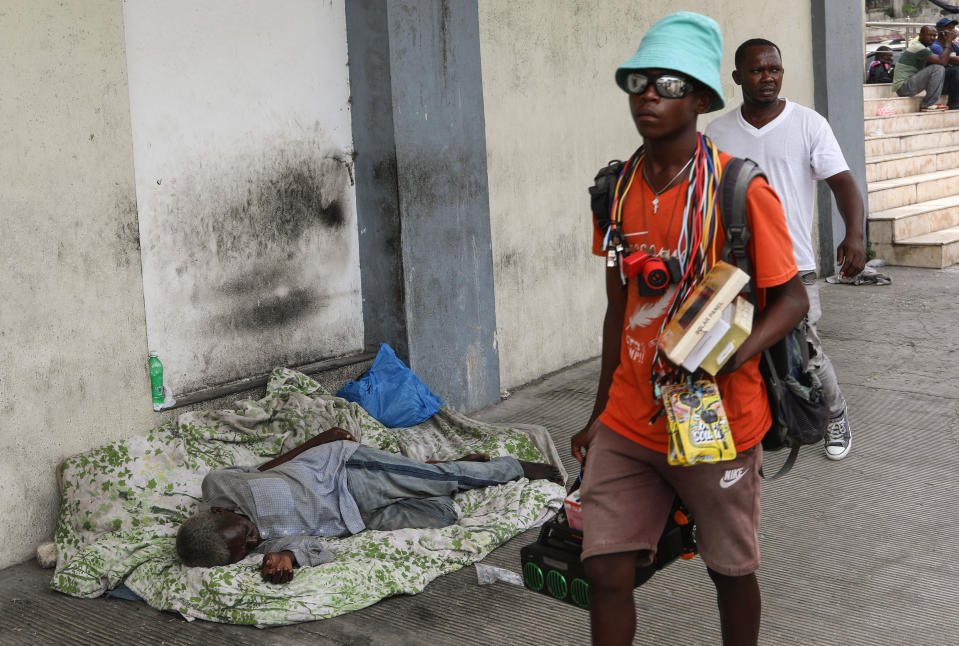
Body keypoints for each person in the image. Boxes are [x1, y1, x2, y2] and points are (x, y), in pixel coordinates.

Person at [571, 13, 807, 646]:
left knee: (728, 568)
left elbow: (791, 300)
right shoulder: (614, 190)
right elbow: (618, 312)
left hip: (714, 416)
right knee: (606, 568)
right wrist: (598, 415)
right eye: (639, 81)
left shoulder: (739, 189)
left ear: (702, 100)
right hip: (629, 417)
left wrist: (738, 354)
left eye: (669, 84)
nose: (649, 94)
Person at [706, 38, 865, 461]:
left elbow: (842, 182)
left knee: (805, 353)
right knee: (732, 348)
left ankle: (835, 413)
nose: (768, 77)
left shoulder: (808, 123)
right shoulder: (717, 132)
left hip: (793, 266)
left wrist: (855, 235)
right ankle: (754, 423)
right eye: (757, 71)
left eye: (774, 69)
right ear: (738, 77)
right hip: (732, 267)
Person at [176, 427, 562, 583]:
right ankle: (427, 471)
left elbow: (264, 468)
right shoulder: (259, 549)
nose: (254, 537)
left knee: (448, 479)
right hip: (358, 519)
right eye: (244, 547)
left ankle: (515, 468)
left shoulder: (219, 483)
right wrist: (289, 558)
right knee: (443, 514)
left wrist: (312, 448)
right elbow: (315, 549)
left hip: (346, 470)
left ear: (217, 513)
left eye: (245, 531)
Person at [891, 24, 954, 112]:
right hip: (903, 87)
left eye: (934, 35)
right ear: (920, 35)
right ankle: (928, 104)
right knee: (938, 68)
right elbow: (942, 61)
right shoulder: (918, 48)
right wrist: (948, 42)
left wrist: (944, 42)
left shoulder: (924, 48)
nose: (932, 38)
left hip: (908, 85)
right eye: (929, 35)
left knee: (940, 68)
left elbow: (945, 59)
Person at [929, 17, 959, 109]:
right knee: (957, 70)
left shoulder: (954, 45)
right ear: (939, 30)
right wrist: (949, 41)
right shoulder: (934, 45)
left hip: (952, 81)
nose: (952, 31)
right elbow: (952, 60)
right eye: (949, 28)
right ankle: (954, 102)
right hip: (939, 83)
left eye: (953, 28)